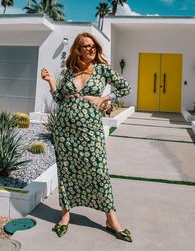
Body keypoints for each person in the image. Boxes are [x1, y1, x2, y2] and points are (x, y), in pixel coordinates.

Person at [41, 32, 132, 242]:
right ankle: (65, 214)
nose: (90, 49)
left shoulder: (102, 70)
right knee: (67, 170)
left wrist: (104, 98)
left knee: (98, 170)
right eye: (85, 46)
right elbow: (59, 99)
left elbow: (125, 88)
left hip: (90, 130)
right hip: (65, 130)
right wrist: (50, 81)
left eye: (93, 46)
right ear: (78, 50)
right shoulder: (70, 72)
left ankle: (111, 218)